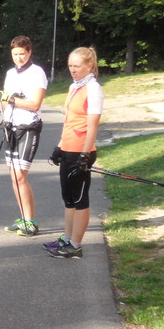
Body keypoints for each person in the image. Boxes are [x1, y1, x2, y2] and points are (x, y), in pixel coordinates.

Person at [45, 47, 103, 259]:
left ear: (89, 66)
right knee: (68, 198)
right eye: (70, 66)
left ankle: (76, 245)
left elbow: (92, 125)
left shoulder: (93, 89)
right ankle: (67, 238)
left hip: (81, 150)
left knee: (80, 200)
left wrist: (85, 154)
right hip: (69, 148)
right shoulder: (74, 87)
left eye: (77, 66)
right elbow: (69, 120)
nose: (73, 70)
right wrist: (60, 146)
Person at [0, 35, 47, 236]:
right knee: (13, 177)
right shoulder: (10, 73)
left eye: (22, 54)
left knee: (20, 176)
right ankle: (24, 219)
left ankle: (31, 221)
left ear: (29, 52)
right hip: (11, 127)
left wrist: (11, 100)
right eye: (15, 54)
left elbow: (35, 103)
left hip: (29, 126)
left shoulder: (37, 73)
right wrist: (5, 103)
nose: (18, 58)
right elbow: (4, 101)